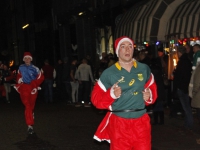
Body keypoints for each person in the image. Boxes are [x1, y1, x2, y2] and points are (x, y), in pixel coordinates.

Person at [91, 36, 157, 150]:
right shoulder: (109, 73)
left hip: (141, 122)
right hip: (119, 124)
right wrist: (111, 95)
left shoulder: (144, 69)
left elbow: (152, 87)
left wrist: (149, 95)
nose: (127, 50)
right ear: (117, 51)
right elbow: (96, 99)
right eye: (123, 46)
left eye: (130, 46)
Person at [14, 52, 44, 134]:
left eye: (28, 58)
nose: (27, 60)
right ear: (24, 59)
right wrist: (19, 80)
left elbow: (41, 77)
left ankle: (31, 113)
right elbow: (18, 76)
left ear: (31, 59)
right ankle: (30, 125)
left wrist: (34, 84)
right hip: (24, 88)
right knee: (27, 105)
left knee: (31, 105)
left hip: (32, 88)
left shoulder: (36, 68)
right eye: (25, 58)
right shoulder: (21, 67)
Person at [173, 46, 193, 130]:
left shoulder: (182, 62)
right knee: (186, 106)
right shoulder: (187, 61)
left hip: (182, 87)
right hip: (185, 86)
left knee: (186, 106)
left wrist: (175, 73)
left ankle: (189, 123)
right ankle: (187, 123)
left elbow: (180, 75)